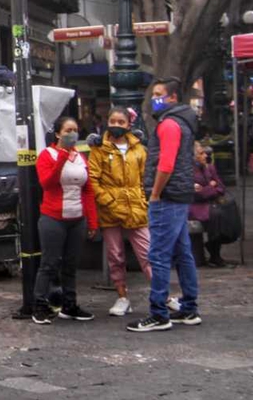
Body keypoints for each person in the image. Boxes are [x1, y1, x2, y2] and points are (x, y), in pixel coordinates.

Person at [128, 78, 202, 333]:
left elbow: (166, 163)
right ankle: (189, 307)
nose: (153, 99)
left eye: (158, 94)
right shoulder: (184, 121)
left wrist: (156, 193)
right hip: (179, 194)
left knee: (158, 255)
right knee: (182, 253)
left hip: (167, 196)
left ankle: (159, 312)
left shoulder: (169, 124)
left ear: (172, 97)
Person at [32, 116, 98, 325]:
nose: (72, 134)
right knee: (49, 263)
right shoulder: (47, 155)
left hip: (77, 218)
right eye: (68, 130)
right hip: (53, 218)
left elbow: (88, 190)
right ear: (58, 133)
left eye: (75, 130)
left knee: (71, 264)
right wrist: (61, 157)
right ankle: (40, 304)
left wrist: (92, 221)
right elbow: (47, 183)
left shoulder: (80, 157)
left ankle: (69, 304)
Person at [87, 107, 153, 316]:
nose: (116, 125)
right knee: (115, 256)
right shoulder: (99, 149)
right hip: (110, 209)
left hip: (136, 208)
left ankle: (163, 294)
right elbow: (93, 179)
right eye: (113, 121)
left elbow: (146, 178)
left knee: (148, 253)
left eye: (121, 122)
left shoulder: (139, 149)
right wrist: (108, 200)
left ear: (128, 124)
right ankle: (122, 296)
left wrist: (144, 199)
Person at [192, 141, 230, 267]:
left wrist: (206, 189)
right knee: (215, 214)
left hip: (210, 202)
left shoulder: (209, 167)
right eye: (201, 153)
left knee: (224, 213)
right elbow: (197, 195)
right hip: (194, 206)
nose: (205, 156)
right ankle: (214, 253)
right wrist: (210, 187)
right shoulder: (188, 170)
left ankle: (215, 248)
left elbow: (221, 187)